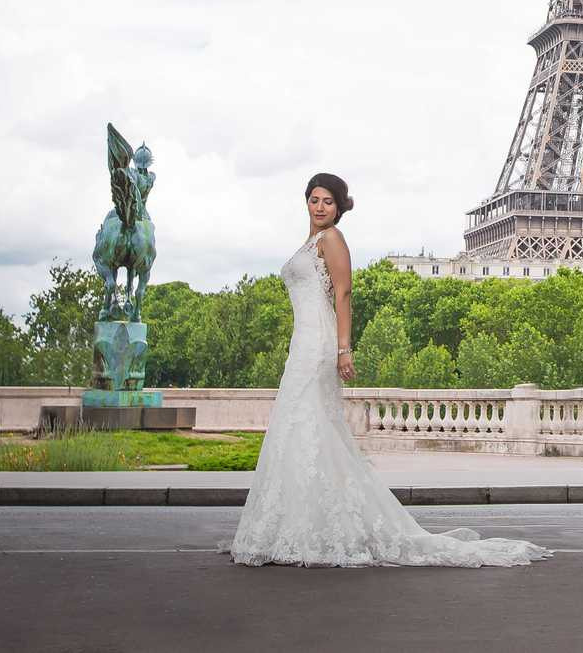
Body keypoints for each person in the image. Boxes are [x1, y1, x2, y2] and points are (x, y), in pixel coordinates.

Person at [226, 172, 547, 568]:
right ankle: (295, 526)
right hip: (301, 344)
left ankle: (309, 528)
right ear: (306, 202)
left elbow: (343, 294)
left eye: (328, 201)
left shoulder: (332, 240)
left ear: (339, 208)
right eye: (314, 199)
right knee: (301, 429)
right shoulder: (310, 243)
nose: (320, 206)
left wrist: (344, 349)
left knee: (308, 426)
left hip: (320, 345)